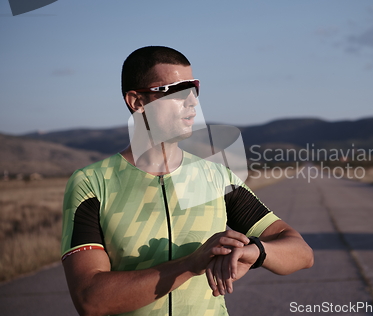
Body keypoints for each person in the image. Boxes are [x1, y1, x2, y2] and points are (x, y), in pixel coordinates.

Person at [61, 46, 313, 316]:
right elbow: (90, 299)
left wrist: (258, 252)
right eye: (176, 91)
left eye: (194, 89)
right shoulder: (92, 183)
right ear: (137, 102)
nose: (192, 101)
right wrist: (191, 264)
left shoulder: (217, 177)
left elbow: (301, 253)